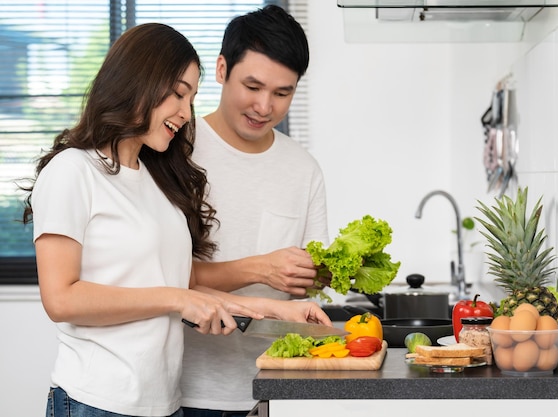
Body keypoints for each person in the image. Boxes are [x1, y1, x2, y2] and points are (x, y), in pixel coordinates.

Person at [21, 22, 331, 417]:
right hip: (97, 400)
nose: (187, 114)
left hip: (161, 402)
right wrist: (178, 299)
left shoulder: (155, 181)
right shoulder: (73, 170)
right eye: (179, 95)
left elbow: (180, 284)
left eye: (192, 98)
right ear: (139, 82)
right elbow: (61, 299)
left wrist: (272, 310)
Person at [180, 5, 329, 417]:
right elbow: (164, 277)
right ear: (222, 69)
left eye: (283, 93)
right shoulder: (177, 151)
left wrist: (318, 274)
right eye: (253, 86)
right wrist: (262, 269)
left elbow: (308, 284)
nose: (265, 107)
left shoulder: (304, 169)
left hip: (275, 388)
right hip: (188, 391)